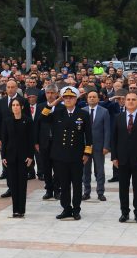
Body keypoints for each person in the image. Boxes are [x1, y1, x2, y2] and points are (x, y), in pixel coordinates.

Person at [47, 86, 93, 220]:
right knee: (64, 183)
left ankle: (76, 209)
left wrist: (87, 153)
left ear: (76, 99)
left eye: (71, 97)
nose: (68, 100)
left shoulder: (83, 114)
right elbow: (43, 117)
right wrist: (55, 102)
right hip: (60, 155)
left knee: (77, 184)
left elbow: (89, 136)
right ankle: (66, 208)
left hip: (76, 155)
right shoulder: (57, 112)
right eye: (65, 97)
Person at [110, 90, 137, 223]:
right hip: (122, 160)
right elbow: (114, 139)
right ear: (124, 101)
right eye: (128, 99)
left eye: (133, 99)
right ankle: (124, 212)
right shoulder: (118, 117)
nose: (130, 102)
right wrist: (114, 157)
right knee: (123, 188)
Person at [0, 97, 34, 217]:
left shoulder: (28, 121)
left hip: (24, 157)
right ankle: (15, 210)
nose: (15, 107)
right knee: (13, 184)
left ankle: (22, 210)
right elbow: (4, 139)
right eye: (13, 105)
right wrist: (3, 156)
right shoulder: (7, 121)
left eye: (17, 105)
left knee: (22, 184)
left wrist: (31, 156)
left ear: (22, 107)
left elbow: (31, 140)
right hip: (10, 157)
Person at [82, 89, 111, 201]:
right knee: (85, 170)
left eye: (94, 97)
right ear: (87, 99)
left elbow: (107, 130)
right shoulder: (82, 111)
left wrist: (106, 146)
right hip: (85, 146)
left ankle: (100, 192)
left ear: (98, 99)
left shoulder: (104, 111)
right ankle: (86, 192)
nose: (92, 98)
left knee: (99, 170)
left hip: (99, 146)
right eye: (90, 97)